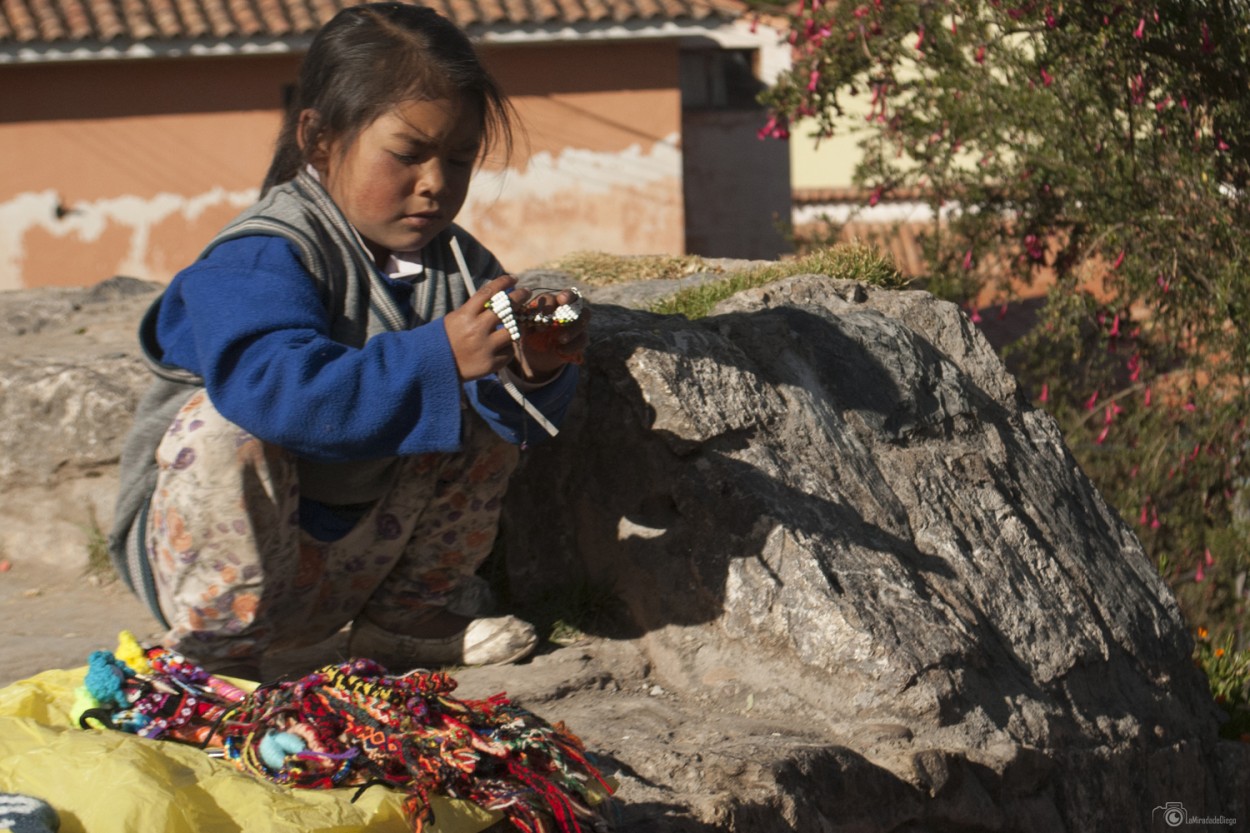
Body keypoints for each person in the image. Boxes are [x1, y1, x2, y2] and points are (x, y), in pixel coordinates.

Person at [107, 1, 588, 679]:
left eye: (459, 158)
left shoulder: (459, 268)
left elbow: (515, 417)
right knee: (222, 427)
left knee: (481, 407)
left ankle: (405, 618)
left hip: (352, 564)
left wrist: (534, 367)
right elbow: (276, 393)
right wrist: (439, 356)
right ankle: (219, 652)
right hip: (219, 573)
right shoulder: (259, 257)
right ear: (319, 139)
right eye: (408, 153)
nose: (435, 184)